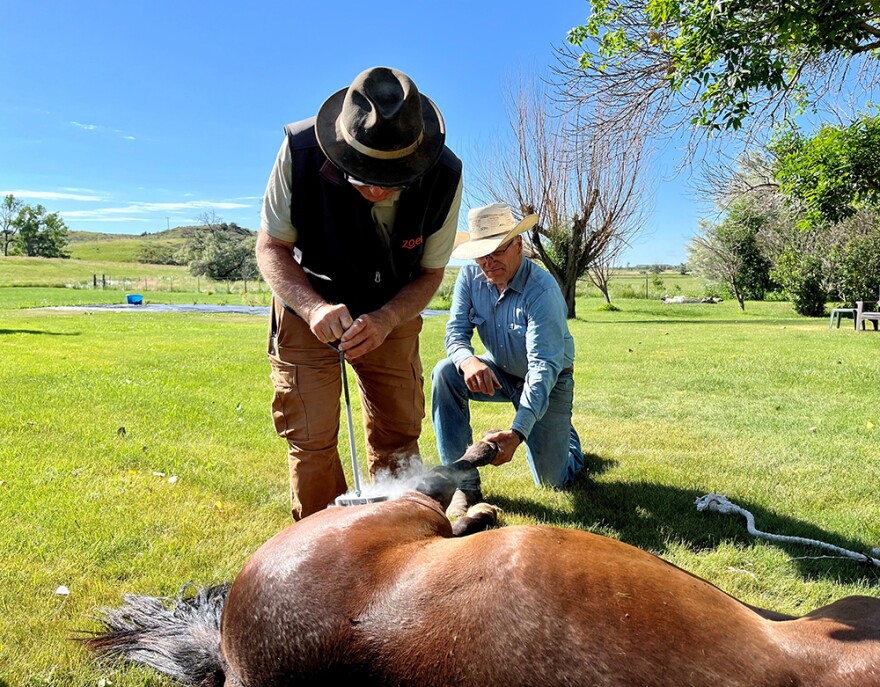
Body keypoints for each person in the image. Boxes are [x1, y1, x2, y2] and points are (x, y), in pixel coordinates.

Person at [256, 66, 463, 520]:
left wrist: (387, 318)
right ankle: (323, 552)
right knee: (310, 441)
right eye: (362, 173)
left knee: (400, 433)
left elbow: (429, 274)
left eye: (389, 178)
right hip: (307, 300)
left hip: (394, 306)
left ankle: (397, 547)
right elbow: (272, 247)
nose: (373, 187)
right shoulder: (300, 150)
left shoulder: (445, 175)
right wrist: (312, 309)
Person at [431, 202, 583, 511]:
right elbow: (455, 332)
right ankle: (465, 486)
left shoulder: (542, 291)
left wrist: (516, 433)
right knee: (446, 372)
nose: (488, 262)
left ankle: (568, 442)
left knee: (553, 482)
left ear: (519, 245)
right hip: (500, 371)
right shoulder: (470, 277)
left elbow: (542, 369)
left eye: (497, 250)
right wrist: (467, 360)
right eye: (481, 253)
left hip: (548, 383)